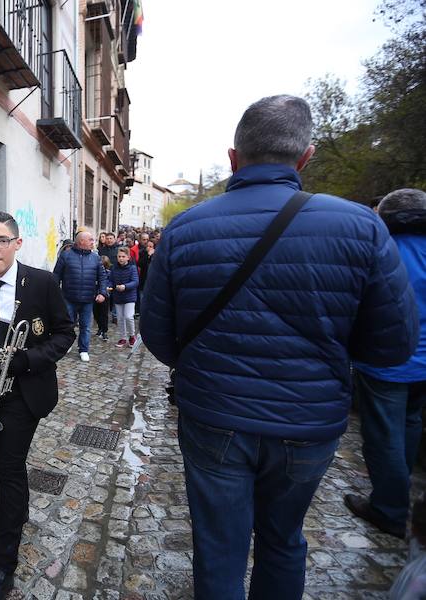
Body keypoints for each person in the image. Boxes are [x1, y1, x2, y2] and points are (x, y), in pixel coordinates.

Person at [140, 95, 418, 600]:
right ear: (306, 156)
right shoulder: (361, 226)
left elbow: (157, 333)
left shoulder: (187, 228)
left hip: (214, 415)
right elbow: (392, 346)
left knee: (219, 546)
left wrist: (204, 365)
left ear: (233, 158)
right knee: (283, 540)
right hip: (307, 424)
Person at [0, 212, 74, 600]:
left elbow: (64, 333)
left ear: (17, 244)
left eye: (2, 240)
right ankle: (16, 507)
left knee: (7, 468)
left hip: (23, 393)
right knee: (11, 468)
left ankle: (3, 566)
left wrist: (28, 359)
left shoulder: (40, 282)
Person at [345, 188, 426, 539]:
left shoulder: (382, 250)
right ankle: (398, 494)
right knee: (410, 425)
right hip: (422, 362)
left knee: (383, 437)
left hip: (387, 360)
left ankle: (389, 509)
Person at [52, 229, 107, 362]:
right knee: (67, 325)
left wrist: (102, 292)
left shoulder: (95, 257)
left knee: (85, 326)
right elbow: (56, 275)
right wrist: (55, 294)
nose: (93, 242)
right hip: (68, 297)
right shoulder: (66, 256)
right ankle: (66, 345)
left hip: (88, 299)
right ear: (81, 241)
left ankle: (83, 349)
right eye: (91, 240)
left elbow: (102, 277)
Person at [109, 247, 138, 347]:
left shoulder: (132, 268)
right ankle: (122, 337)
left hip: (129, 296)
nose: (121, 258)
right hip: (118, 296)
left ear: (128, 257)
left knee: (129, 316)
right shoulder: (114, 268)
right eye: (119, 256)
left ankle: (132, 336)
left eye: (123, 256)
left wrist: (125, 286)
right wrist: (109, 286)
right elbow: (111, 280)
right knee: (120, 318)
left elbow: (135, 282)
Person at [93, 256, 112, 340]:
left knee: (104, 314)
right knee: (96, 313)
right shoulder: (94, 274)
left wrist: (108, 287)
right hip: (94, 295)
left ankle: (104, 330)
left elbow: (111, 282)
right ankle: (100, 327)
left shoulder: (109, 273)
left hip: (105, 296)